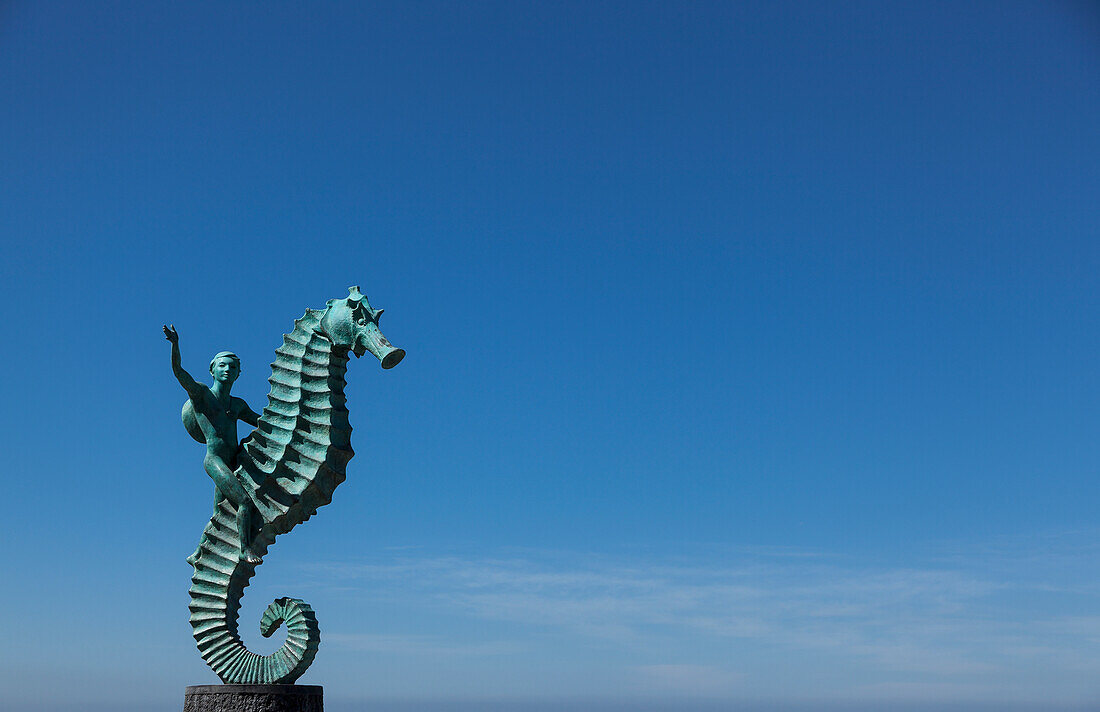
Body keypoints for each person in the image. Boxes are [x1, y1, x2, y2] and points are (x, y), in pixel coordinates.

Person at [163, 324, 263, 564]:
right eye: (222, 365)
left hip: (233, 461)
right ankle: (244, 549)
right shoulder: (202, 395)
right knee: (245, 502)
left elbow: (261, 422)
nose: (227, 369)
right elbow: (178, 372)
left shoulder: (237, 404)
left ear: (239, 373)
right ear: (212, 370)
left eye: (232, 366)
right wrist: (175, 344)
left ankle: (197, 553)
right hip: (215, 461)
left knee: (219, 513)